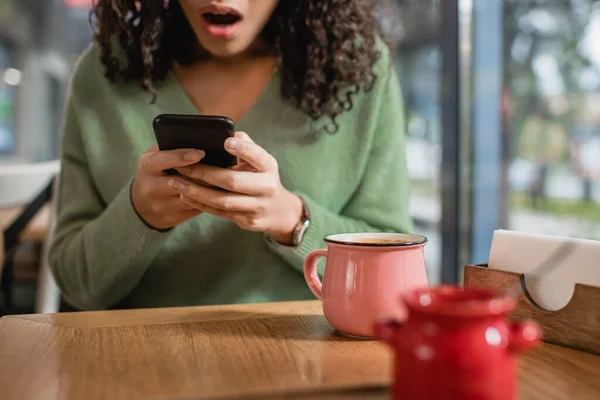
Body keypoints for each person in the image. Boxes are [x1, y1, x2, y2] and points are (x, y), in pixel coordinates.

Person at [49, 0, 413, 311]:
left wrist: (291, 219)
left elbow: (399, 266)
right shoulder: (101, 74)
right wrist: (139, 217)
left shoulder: (360, 72)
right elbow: (76, 284)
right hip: (138, 369)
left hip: (310, 362)